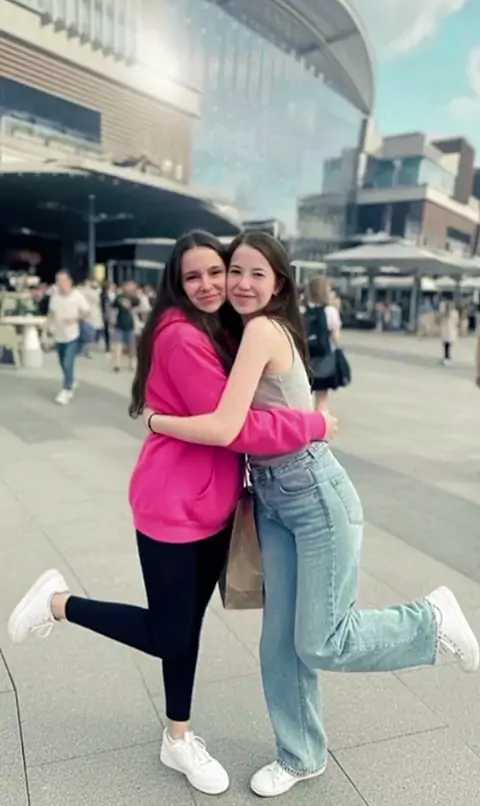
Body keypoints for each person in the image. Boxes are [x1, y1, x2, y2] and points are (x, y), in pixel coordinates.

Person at [142, 231, 479, 799]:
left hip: (315, 494)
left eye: (256, 274)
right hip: (273, 496)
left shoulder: (261, 330)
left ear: (279, 283)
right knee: (278, 644)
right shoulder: (241, 331)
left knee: (323, 641)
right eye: (234, 271)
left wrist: (154, 421)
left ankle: (431, 619)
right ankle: (301, 756)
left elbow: (226, 427)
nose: (241, 283)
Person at [7, 231, 332, 798]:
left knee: (183, 629)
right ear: (176, 284)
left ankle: (177, 738)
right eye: (193, 277)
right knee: (169, 632)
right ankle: (58, 604)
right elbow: (232, 427)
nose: (209, 285)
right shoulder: (180, 335)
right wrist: (315, 423)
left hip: (211, 506)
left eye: (216, 272)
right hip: (173, 505)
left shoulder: (218, 327)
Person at [48, 269, 89, 405]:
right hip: (59, 335)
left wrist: (74, 318)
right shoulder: (55, 297)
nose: (61, 283)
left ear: (70, 281)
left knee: (68, 362)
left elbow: (86, 311)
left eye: (63, 280)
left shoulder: (77, 295)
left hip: (72, 335)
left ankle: (67, 389)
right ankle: (70, 380)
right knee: (62, 362)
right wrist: (48, 327)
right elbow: (52, 313)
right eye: (58, 281)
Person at [305, 276, 343, 411]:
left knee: (303, 395)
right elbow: (336, 336)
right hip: (323, 357)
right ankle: (320, 421)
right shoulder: (330, 311)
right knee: (322, 398)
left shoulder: (302, 309)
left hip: (305, 357)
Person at [112, 281, 140, 371]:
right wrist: (112, 319)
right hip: (119, 324)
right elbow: (113, 307)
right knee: (118, 345)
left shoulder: (135, 298)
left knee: (131, 346)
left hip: (130, 324)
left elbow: (138, 307)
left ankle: (132, 363)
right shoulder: (119, 297)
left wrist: (135, 310)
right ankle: (117, 364)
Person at [439, 299, 459, 366]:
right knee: (448, 345)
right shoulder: (454, 313)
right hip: (451, 330)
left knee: (446, 346)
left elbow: (440, 321)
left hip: (445, 331)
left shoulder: (444, 313)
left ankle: (446, 357)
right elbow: (456, 321)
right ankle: (447, 357)